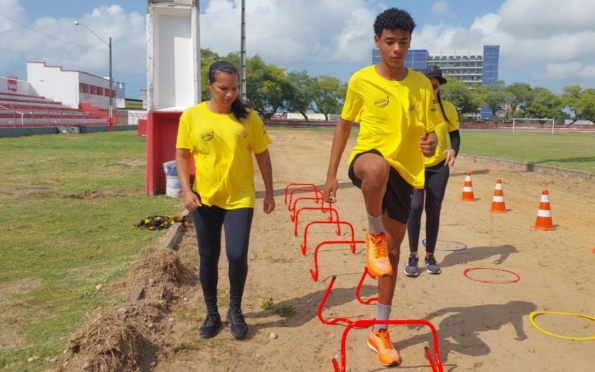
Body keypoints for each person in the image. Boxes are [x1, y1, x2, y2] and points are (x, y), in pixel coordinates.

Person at [323, 8, 437, 367]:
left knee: (389, 260)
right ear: (377, 42)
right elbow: (343, 127)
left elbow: (430, 128)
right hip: (368, 161)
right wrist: (330, 176)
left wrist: (432, 141)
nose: (397, 49)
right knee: (376, 167)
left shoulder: (420, 84)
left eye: (403, 42)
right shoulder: (360, 81)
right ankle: (372, 231)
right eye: (390, 42)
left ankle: (380, 329)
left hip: (405, 173)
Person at [175, 61, 275, 340]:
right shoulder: (192, 117)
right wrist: (187, 191)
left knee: (236, 254)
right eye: (223, 88)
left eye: (234, 88)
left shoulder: (249, 118)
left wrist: (269, 192)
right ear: (209, 85)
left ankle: (235, 309)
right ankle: (212, 314)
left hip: (240, 197)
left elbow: (263, 156)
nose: (230, 94)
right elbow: (182, 157)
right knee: (208, 257)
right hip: (205, 198)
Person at [405, 66, 461, 277]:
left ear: (439, 87)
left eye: (435, 86)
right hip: (415, 166)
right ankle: (412, 255)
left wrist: (454, 149)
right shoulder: (412, 108)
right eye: (426, 85)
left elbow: (455, 135)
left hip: (439, 167)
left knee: (433, 210)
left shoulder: (448, 109)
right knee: (415, 207)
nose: (431, 89)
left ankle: (429, 256)